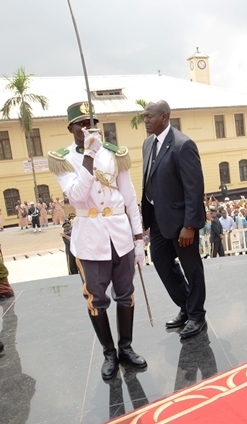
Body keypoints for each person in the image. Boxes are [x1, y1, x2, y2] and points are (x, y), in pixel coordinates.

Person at [47, 101, 147, 379]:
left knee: (125, 295)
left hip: (120, 237)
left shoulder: (115, 154)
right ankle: (109, 353)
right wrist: (89, 157)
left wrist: (138, 238)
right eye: (81, 123)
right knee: (97, 299)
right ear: (71, 128)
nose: (88, 128)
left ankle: (126, 347)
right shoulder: (62, 159)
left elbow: (129, 197)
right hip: (90, 240)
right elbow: (77, 196)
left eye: (92, 122)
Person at [141, 100, 207, 339]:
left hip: (181, 222)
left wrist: (189, 225)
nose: (145, 120)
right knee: (161, 263)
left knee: (192, 268)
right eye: (144, 116)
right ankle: (186, 306)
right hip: (158, 219)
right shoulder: (148, 144)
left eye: (149, 116)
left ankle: (197, 314)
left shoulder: (183, 144)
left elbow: (194, 188)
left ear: (165, 117)